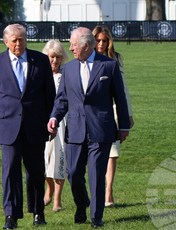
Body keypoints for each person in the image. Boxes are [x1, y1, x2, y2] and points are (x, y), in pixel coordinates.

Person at [47, 27, 130, 228]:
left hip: (100, 130)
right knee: (74, 173)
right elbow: (62, 100)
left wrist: (124, 125)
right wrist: (54, 118)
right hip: (75, 130)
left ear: (86, 45)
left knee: (96, 174)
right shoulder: (69, 69)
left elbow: (120, 97)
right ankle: (82, 204)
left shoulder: (109, 66)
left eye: (74, 45)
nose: (71, 48)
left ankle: (96, 217)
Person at [0, 24, 57, 228]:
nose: (19, 43)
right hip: (7, 125)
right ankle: (11, 215)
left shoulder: (41, 61)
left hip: (36, 125)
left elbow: (50, 95)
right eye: (14, 40)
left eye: (22, 39)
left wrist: (53, 122)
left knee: (35, 171)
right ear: (6, 41)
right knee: (10, 171)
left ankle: (38, 213)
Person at [92, 26, 135, 207]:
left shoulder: (116, 59)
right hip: (95, 112)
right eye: (98, 40)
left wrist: (128, 115)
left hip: (114, 111)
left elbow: (123, 89)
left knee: (112, 153)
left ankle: (108, 191)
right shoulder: (88, 58)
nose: (101, 44)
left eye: (105, 40)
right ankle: (96, 190)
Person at [41, 39, 67, 212]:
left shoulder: (66, 74)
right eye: (51, 57)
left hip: (63, 123)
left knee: (59, 158)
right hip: (43, 120)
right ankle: (48, 190)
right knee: (44, 158)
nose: (54, 61)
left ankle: (57, 197)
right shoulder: (40, 74)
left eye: (58, 57)